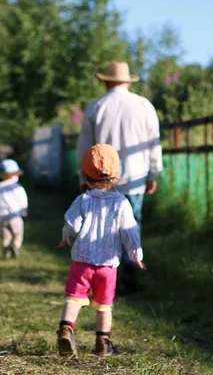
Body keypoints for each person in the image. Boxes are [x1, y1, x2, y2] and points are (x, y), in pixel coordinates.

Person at [76, 61, 163, 292]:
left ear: (106, 81)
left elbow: (84, 146)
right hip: (135, 176)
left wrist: (82, 176)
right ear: (127, 81)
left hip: (101, 178)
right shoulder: (144, 106)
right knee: (131, 225)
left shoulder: (96, 107)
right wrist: (153, 173)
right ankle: (130, 272)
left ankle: (105, 276)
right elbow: (153, 143)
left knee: (103, 226)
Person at [56, 144, 146, 357]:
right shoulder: (121, 203)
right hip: (107, 266)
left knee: (74, 297)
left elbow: (73, 225)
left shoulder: (83, 200)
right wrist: (136, 255)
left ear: (85, 176)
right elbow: (130, 232)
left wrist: (65, 237)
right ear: (115, 175)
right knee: (104, 306)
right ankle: (102, 344)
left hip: (82, 262)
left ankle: (66, 328)